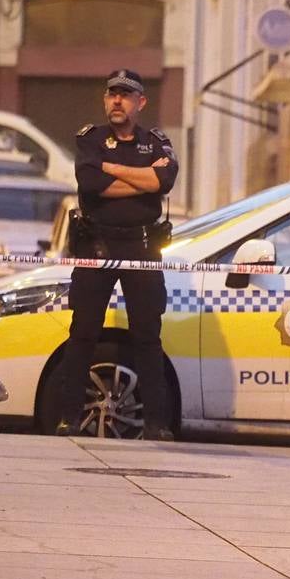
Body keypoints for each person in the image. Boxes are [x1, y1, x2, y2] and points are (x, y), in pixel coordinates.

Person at [56, 69, 178, 440]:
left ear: (141, 102)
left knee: (147, 336)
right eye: (111, 95)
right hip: (97, 243)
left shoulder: (156, 141)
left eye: (125, 95)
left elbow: (164, 182)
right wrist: (142, 180)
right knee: (83, 333)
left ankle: (157, 424)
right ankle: (69, 417)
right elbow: (90, 185)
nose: (117, 101)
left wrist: (112, 170)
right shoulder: (90, 138)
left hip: (141, 245)